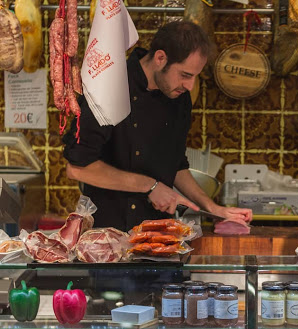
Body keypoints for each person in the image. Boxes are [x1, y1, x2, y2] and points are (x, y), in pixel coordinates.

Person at [62, 20, 252, 231]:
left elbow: (176, 163)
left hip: (157, 234)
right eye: (185, 75)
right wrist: (149, 186)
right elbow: (77, 168)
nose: (189, 86)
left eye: (194, 77)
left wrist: (212, 207)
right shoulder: (109, 86)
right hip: (108, 238)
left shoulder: (179, 98)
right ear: (160, 58)